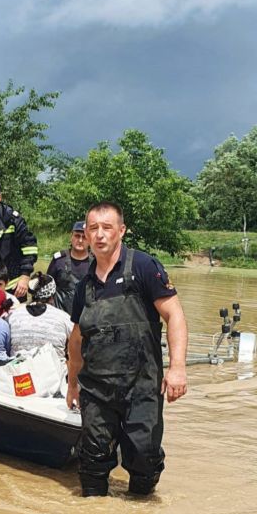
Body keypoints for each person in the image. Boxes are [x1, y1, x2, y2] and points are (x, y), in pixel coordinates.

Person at [66, 201, 188, 498]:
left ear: (121, 231)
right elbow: (76, 340)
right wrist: (72, 384)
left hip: (141, 386)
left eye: (107, 228)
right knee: (91, 462)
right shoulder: (84, 286)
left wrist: (177, 368)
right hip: (97, 389)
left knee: (144, 458)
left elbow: (175, 315)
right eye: (93, 228)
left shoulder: (145, 267)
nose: (99, 235)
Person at [7, 272, 73, 362]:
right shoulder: (63, 318)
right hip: (53, 373)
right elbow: (76, 342)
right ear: (53, 294)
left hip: (20, 372)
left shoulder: (13, 316)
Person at [47, 221, 92, 315]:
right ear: (71, 237)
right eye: (77, 236)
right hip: (60, 316)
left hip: (86, 317)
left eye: (84, 237)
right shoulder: (59, 260)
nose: (80, 240)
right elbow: (47, 286)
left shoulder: (96, 262)